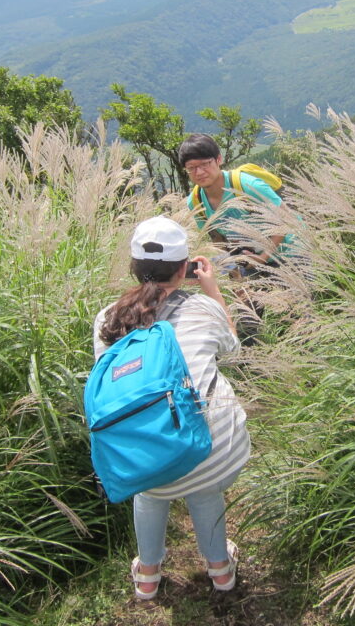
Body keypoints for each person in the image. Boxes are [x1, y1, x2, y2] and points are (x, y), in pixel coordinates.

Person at [92, 216, 249, 600]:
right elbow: (234, 349)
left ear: (133, 268)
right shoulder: (201, 309)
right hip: (212, 453)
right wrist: (213, 291)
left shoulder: (107, 319)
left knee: (150, 489)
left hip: (140, 460)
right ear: (184, 270)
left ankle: (147, 575)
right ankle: (221, 571)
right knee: (201, 480)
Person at [180, 133, 290, 271]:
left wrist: (263, 258)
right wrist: (232, 270)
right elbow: (217, 239)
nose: (199, 172)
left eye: (205, 164)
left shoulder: (247, 186)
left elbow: (287, 218)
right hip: (254, 259)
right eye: (191, 168)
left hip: (291, 253)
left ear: (218, 159)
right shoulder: (196, 201)